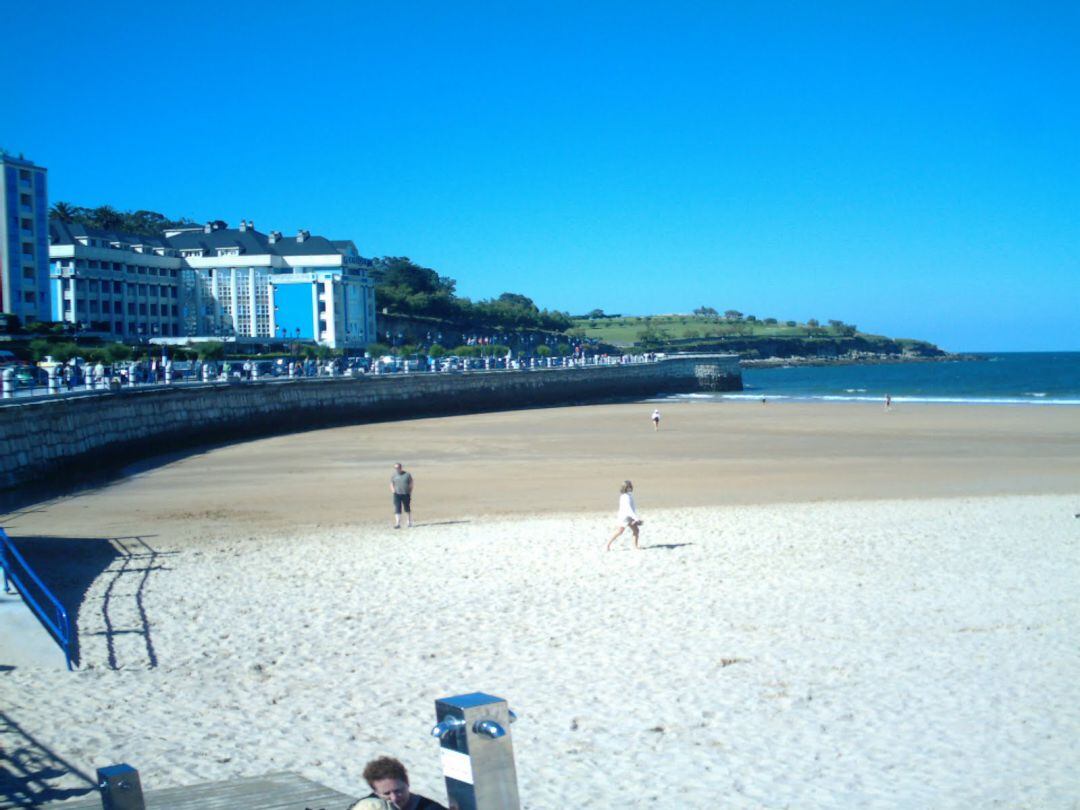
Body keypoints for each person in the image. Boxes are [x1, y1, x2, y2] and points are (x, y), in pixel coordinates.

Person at [361, 756, 445, 810]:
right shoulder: (369, 805)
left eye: (398, 791)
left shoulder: (432, 808)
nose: (394, 798)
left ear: (407, 783)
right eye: (387, 793)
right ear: (376, 793)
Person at [607, 480, 643, 551]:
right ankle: (607, 545)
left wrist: (635, 518)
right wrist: (636, 518)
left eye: (630, 486)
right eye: (628, 486)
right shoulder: (626, 497)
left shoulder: (627, 495)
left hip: (628, 516)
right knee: (620, 531)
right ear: (624, 488)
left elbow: (631, 509)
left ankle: (635, 546)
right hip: (625, 517)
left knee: (636, 530)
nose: (629, 488)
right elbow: (628, 509)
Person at [390, 463, 414, 528]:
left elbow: (411, 483)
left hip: (405, 493)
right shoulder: (394, 475)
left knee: (407, 508)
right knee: (397, 508)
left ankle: (409, 522)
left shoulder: (407, 475)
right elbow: (392, 483)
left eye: (398, 467)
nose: (397, 469)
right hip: (397, 494)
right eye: (395, 468)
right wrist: (393, 491)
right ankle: (397, 523)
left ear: (401, 467)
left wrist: (410, 491)